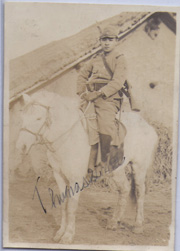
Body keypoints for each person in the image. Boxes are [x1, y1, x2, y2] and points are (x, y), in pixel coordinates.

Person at [76, 25, 138, 177]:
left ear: (116, 41)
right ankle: (85, 161)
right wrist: (82, 93)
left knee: (104, 125)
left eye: (110, 40)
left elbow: (117, 82)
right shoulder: (95, 59)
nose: (106, 43)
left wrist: (98, 94)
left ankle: (103, 162)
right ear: (100, 41)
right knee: (80, 122)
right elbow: (82, 75)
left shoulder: (119, 59)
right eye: (104, 40)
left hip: (109, 99)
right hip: (91, 96)